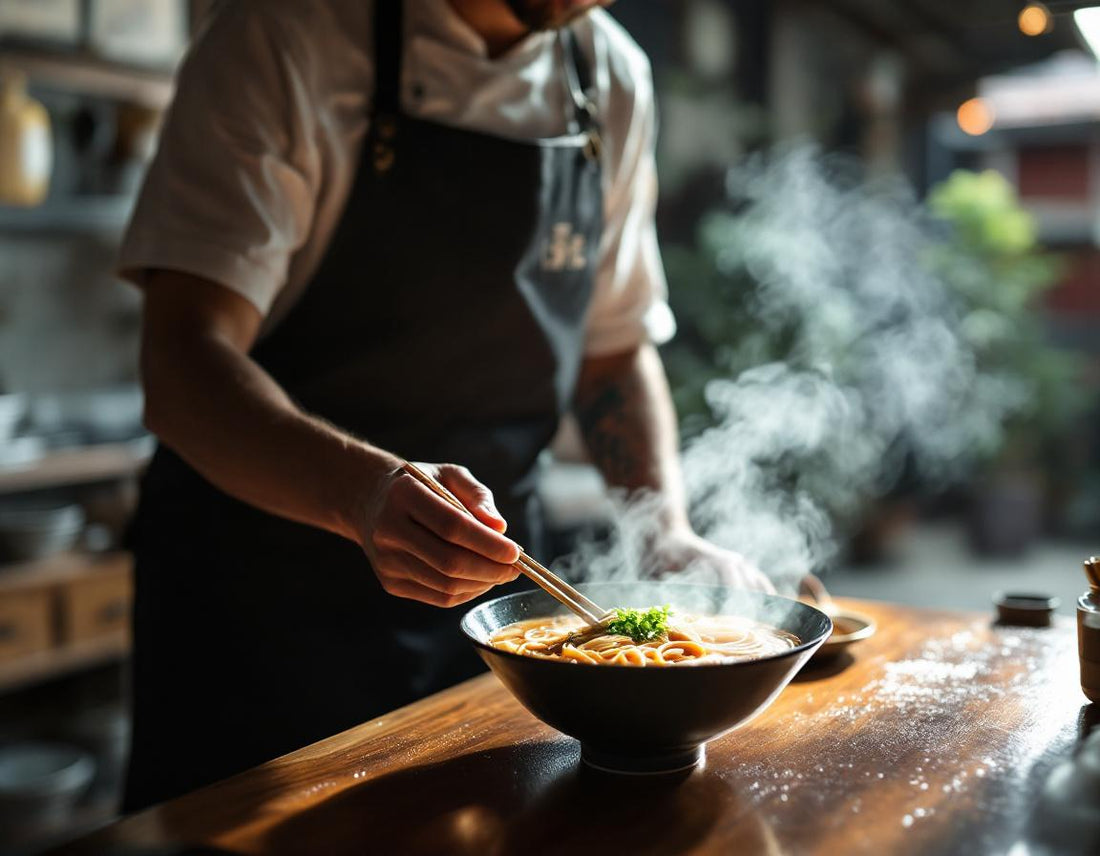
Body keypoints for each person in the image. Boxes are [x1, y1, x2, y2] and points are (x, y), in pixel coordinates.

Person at [119, 0, 771, 811]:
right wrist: (364, 493)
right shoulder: (286, 34)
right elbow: (183, 362)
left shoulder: (610, 76)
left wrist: (664, 527)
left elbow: (614, 350)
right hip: (262, 603)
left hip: (494, 604)